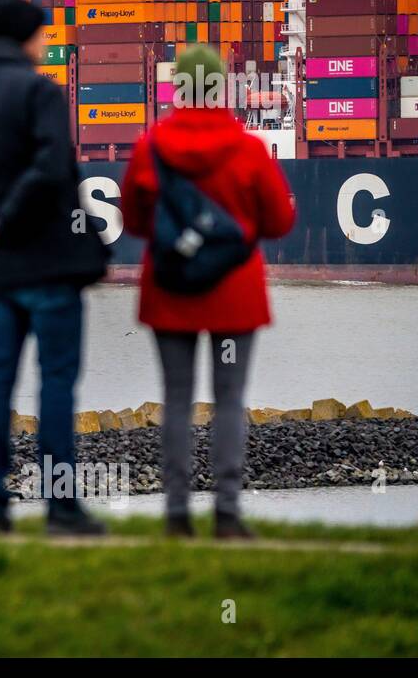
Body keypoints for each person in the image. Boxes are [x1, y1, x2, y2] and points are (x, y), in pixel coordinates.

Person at [121, 45, 295, 539]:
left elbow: (134, 221)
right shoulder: (249, 149)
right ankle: (227, 515)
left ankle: (177, 515)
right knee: (229, 400)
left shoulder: (150, 147)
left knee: (176, 400)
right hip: (234, 292)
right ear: (223, 89)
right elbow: (279, 222)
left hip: (170, 288)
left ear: (178, 89)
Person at [0, 0, 110, 536]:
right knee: (57, 382)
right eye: (42, 35)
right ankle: (61, 507)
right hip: (48, 264)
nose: (46, 45)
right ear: (25, 38)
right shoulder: (40, 94)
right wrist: (8, 218)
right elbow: (53, 171)